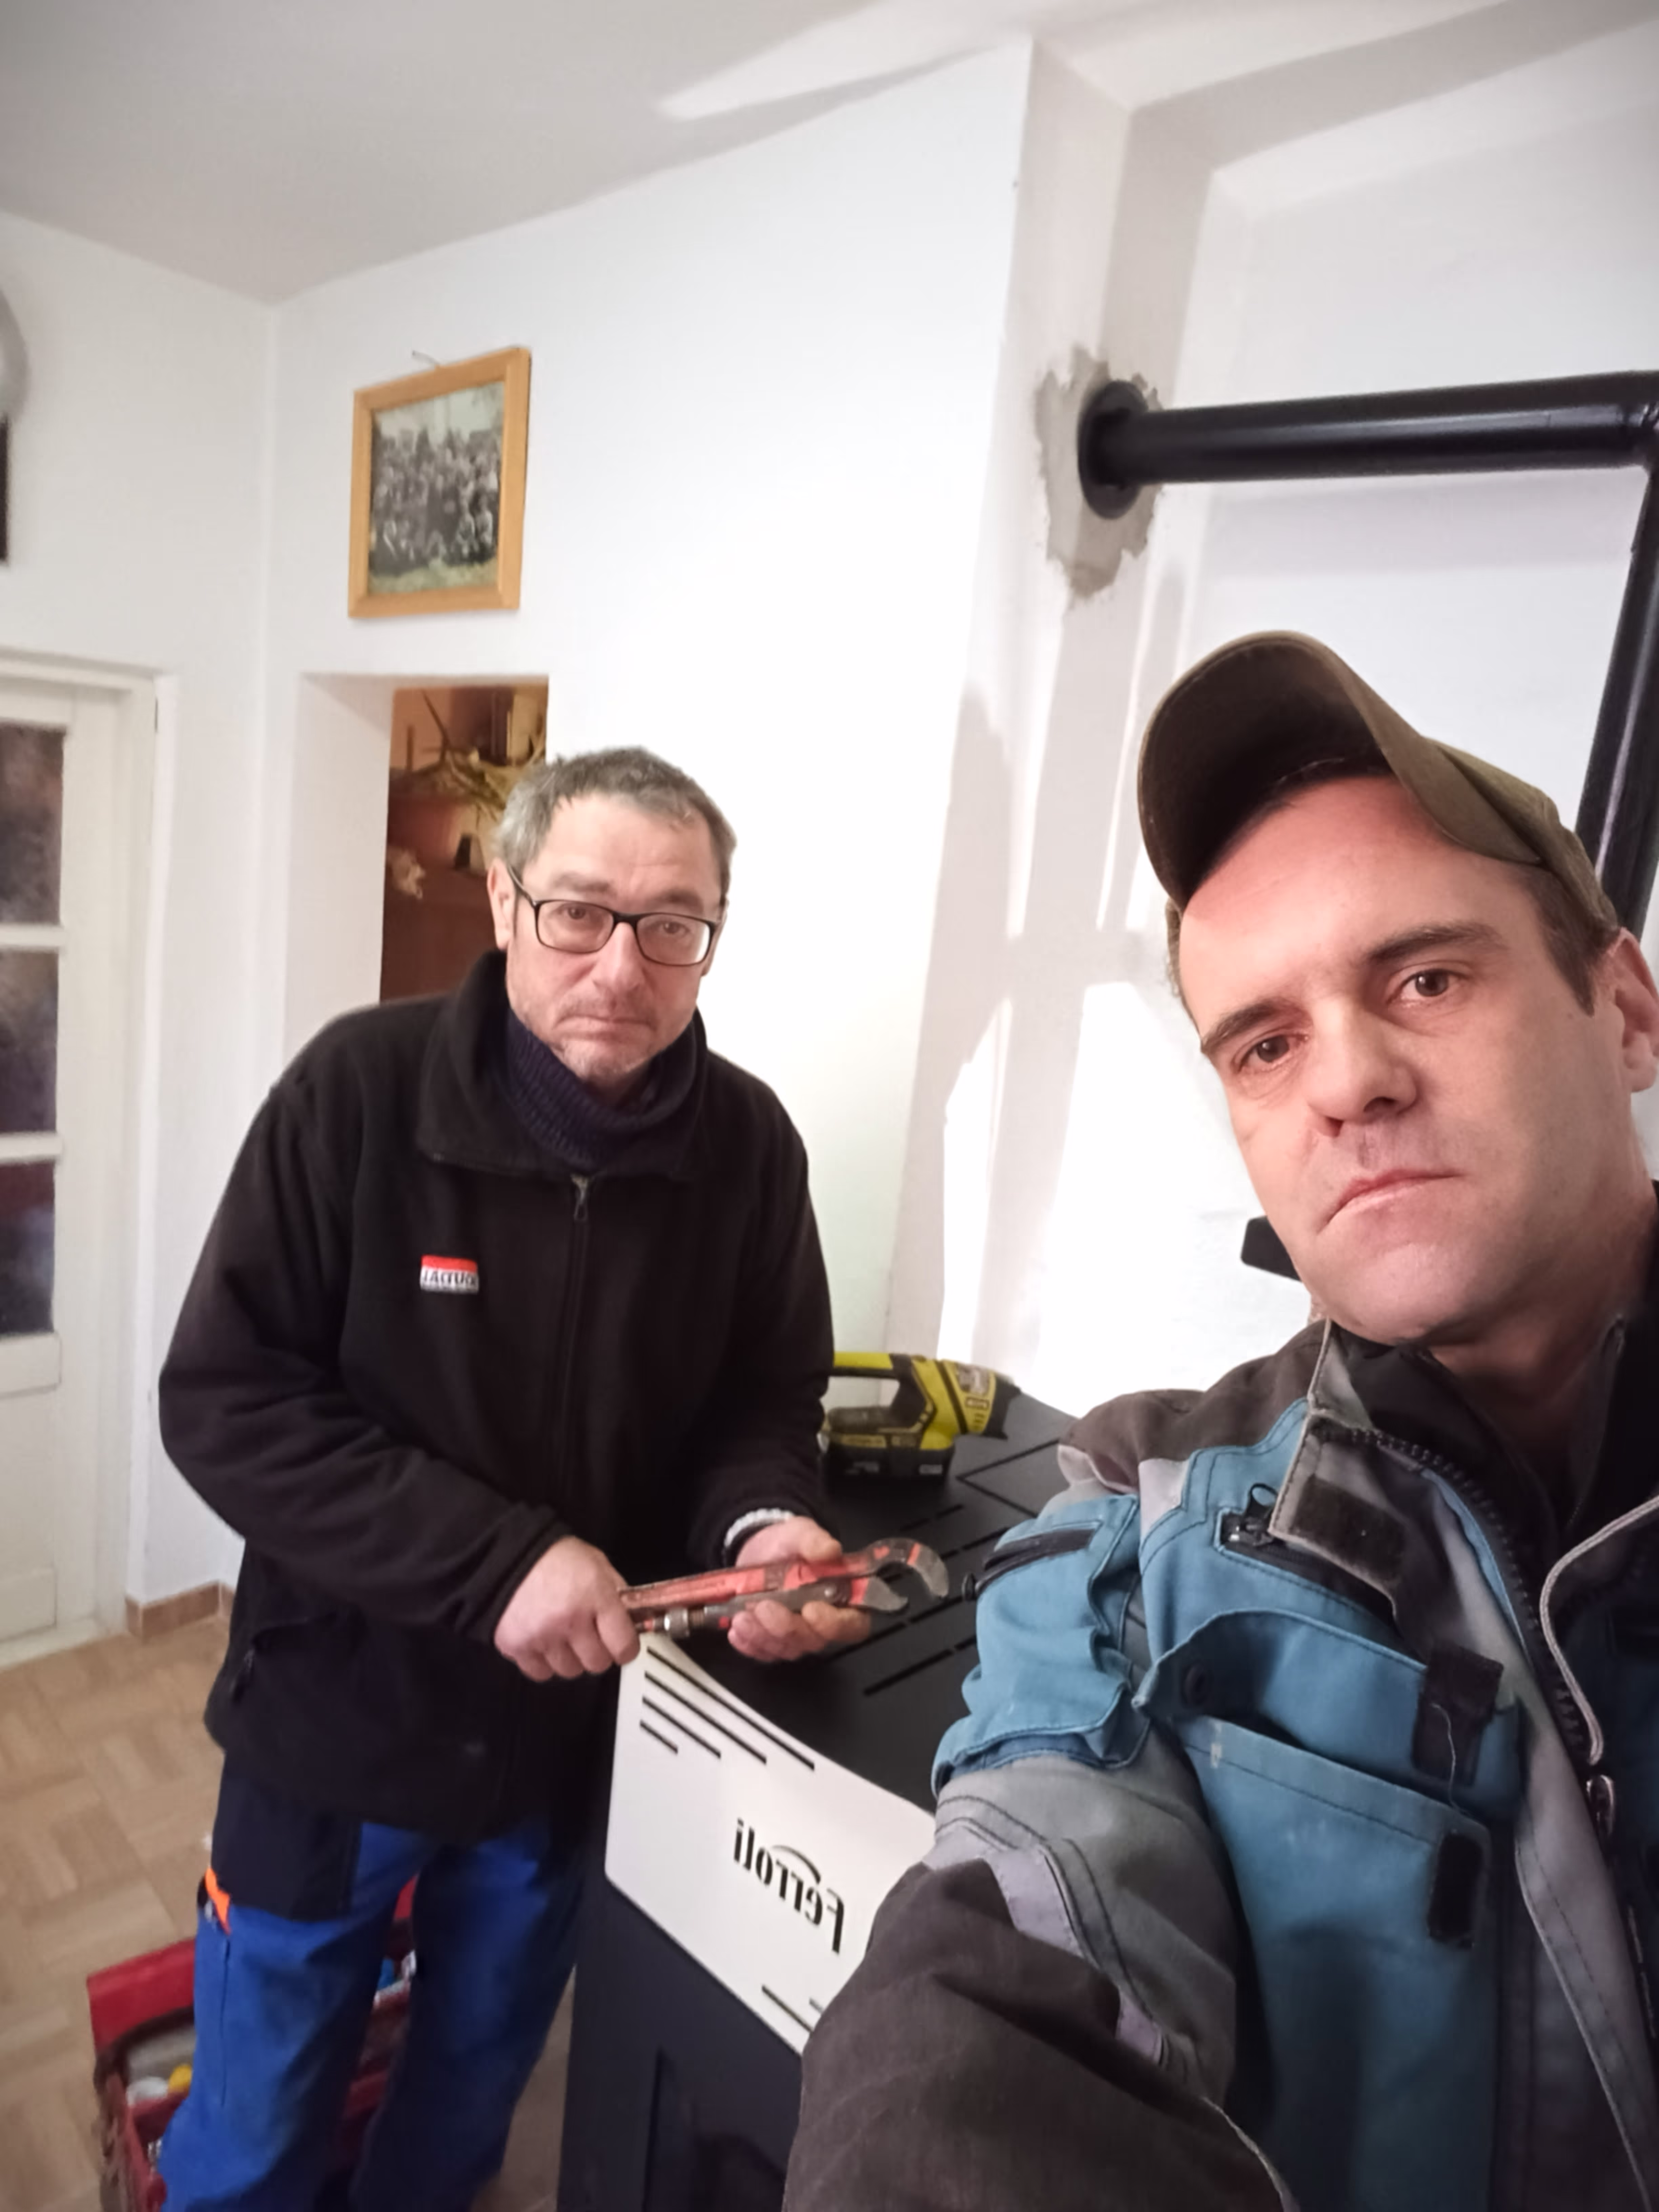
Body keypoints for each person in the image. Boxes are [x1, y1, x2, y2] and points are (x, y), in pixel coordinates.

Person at [785, 632, 1659, 2212]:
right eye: (1267, 1043)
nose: (1349, 1083)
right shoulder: (1140, 1517)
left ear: (1628, 1012)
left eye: (1427, 978)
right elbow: (999, 1977)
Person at [158, 745, 861, 2212]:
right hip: (336, 1722)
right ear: (503, 900)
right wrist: (497, 1564)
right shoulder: (355, 1093)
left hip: (560, 1743)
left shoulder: (749, 1149)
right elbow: (227, 1400)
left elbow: (762, 1400)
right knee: (256, 2128)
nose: (623, 966)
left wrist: (760, 1525)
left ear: (713, 934)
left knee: (465, 2105)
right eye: (580, 912)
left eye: (673, 925)